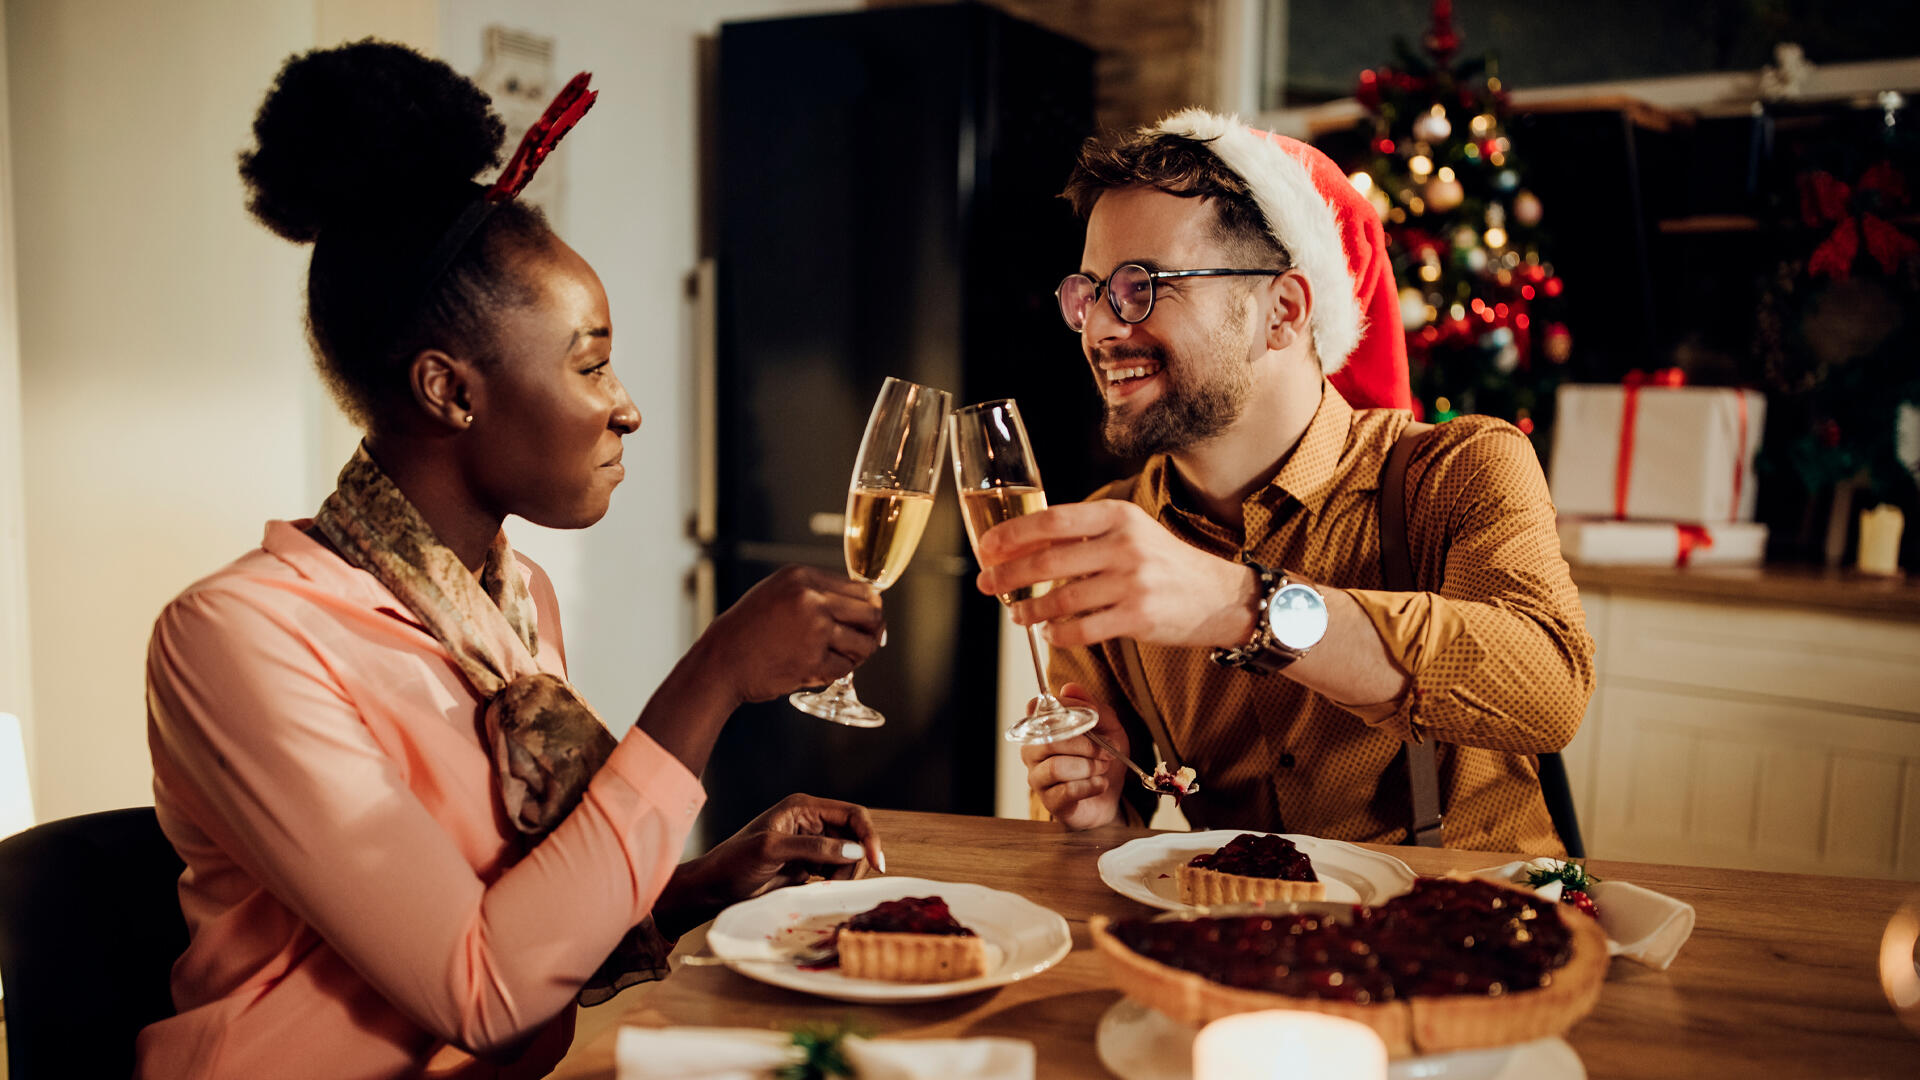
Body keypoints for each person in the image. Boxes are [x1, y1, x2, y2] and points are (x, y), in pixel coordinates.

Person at [137, 42, 888, 1080]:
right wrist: (711, 677)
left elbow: (516, 922)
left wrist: (701, 883)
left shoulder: (512, 601)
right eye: (590, 361)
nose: (626, 404)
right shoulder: (236, 637)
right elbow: (479, 987)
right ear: (449, 391)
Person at [977, 109, 1594, 854]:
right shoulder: (1116, 530)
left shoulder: (1457, 470)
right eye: (1090, 292)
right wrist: (1097, 812)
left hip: (1477, 936)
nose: (1103, 329)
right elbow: (1106, 852)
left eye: (1143, 285)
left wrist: (1244, 606)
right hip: (1239, 942)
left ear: (1283, 310)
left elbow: (1548, 689)